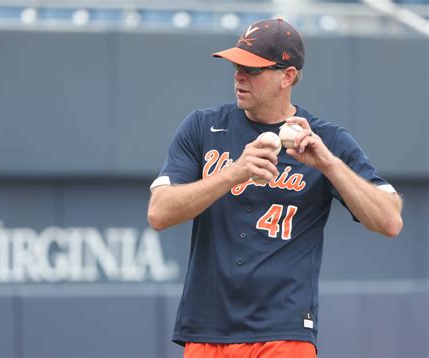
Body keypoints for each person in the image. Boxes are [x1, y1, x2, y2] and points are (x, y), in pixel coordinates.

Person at [147, 18, 403, 358]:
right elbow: (159, 213)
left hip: (284, 330)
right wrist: (233, 173)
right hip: (207, 328)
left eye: (252, 69)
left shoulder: (325, 141)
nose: (239, 75)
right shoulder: (202, 126)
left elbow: (389, 220)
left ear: (287, 76)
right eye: (237, 65)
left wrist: (329, 165)